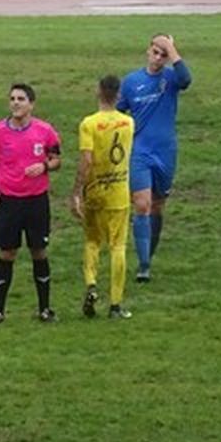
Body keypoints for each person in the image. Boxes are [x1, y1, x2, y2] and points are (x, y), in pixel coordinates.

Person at [0, 82, 62, 323]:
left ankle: (45, 309)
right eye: (12, 98)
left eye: (21, 99)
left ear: (31, 104)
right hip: (9, 202)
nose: (15, 102)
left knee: (39, 251)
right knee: (7, 253)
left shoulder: (45, 131)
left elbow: (57, 159)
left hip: (36, 201)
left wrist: (44, 165)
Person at [117, 33, 192, 282]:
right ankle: (144, 266)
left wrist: (173, 49)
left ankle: (148, 252)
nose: (158, 57)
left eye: (164, 54)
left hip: (165, 151)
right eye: (156, 51)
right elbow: (118, 113)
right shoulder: (131, 82)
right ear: (147, 51)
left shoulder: (171, 79)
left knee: (158, 205)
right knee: (142, 204)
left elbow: (186, 79)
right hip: (140, 151)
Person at [71, 75, 135, 320]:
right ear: (118, 95)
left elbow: (86, 161)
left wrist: (77, 191)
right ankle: (116, 305)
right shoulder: (128, 123)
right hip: (119, 193)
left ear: (98, 92)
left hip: (95, 192)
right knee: (118, 246)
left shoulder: (88, 124)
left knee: (92, 241)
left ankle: (91, 283)